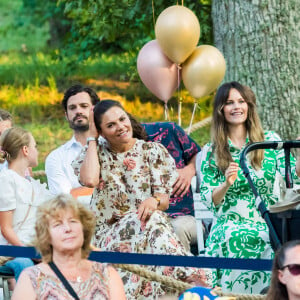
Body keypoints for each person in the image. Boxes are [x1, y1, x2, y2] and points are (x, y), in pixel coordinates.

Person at [72, 99, 210, 299]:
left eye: (122, 119)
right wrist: (92, 140)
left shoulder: (152, 151)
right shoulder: (96, 152)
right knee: (149, 220)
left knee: (152, 218)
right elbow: (89, 179)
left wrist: (153, 200)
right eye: (111, 125)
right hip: (110, 235)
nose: (120, 127)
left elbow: (164, 200)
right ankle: (190, 281)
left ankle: (185, 282)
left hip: (148, 229)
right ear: (100, 131)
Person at [197, 81, 300, 294]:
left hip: (269, 220)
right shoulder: (212, 150)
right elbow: (209, 199)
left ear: (249, 106)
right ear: (221, 110)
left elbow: (293, 179)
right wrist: (226, 183)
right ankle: (236, 296)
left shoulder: (269, 141)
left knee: (274, 237)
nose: (236, 107)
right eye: (229, 103)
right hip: (230, 222)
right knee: (238, 237)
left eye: (241, 101)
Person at [11, 194, 126, 300]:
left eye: (73, 221)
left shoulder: (107, 274)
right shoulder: (32, 278)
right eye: (57, 224)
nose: (67, 228)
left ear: (83, 228)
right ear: (46, 235)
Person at [0, 127, 52, 282]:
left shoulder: (31, 184)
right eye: (35, 146)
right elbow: (5, 228)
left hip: (34, 248)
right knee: (25, 265)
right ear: (25, 150)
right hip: (12, 251)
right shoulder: (6, 179)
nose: (37, 151)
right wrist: (28, 252)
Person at [142, 122, 200, 252]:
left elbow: (200, 154)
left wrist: (190, 169)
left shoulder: (166, 131)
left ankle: (185, 271)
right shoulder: (110, 151)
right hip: (146, 221)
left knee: (175, 228)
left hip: (183, 218)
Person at [45, 84, 100, 198]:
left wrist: (77, 192)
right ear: (66, 115)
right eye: (72, 108)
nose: (78, 111)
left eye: (84, 106)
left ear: (96, 110)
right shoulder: (56, 157)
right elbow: (64, 200)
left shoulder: (114, 145)